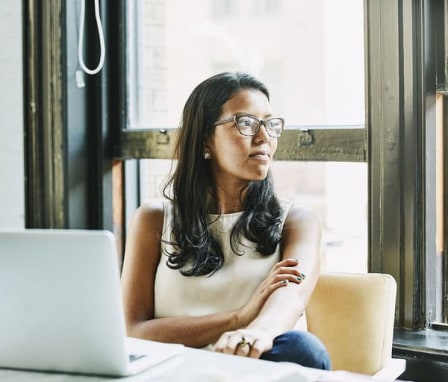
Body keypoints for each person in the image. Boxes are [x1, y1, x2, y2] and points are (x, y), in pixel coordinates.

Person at [120, 71, 331, 370]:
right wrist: (238, 318)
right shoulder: (153, 220)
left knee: (302, 349)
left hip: (251, 367)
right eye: (245, 123)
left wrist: (257, 331)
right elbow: (133, 332)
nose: (264, 137)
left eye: (270, 124)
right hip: (175, 373)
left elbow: (292, 296)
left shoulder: (296, 221)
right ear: (206, 138)